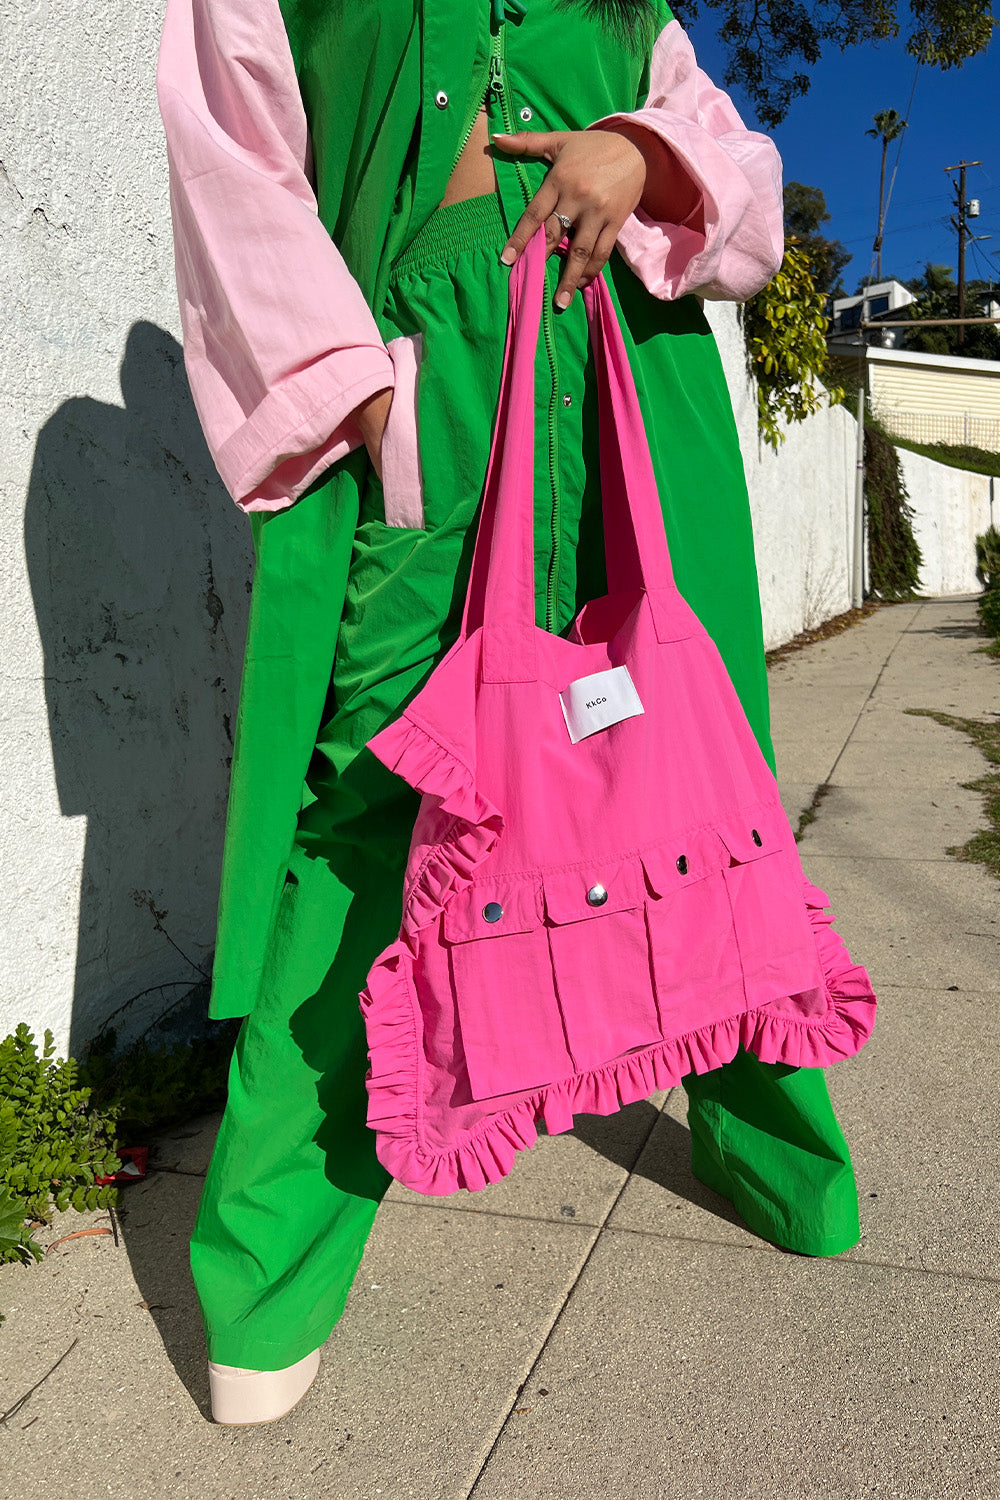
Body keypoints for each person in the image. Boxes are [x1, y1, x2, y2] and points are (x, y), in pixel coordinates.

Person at [157, 0, 862, 1426]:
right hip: (434, 382)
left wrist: (638, 149)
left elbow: (743, 184)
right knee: (367, 816)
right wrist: (368, 401)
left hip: (630, 384)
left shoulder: (627, 9)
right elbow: (235, 169)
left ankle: (766, 1140)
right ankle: (269, 1269)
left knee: (689, 791)